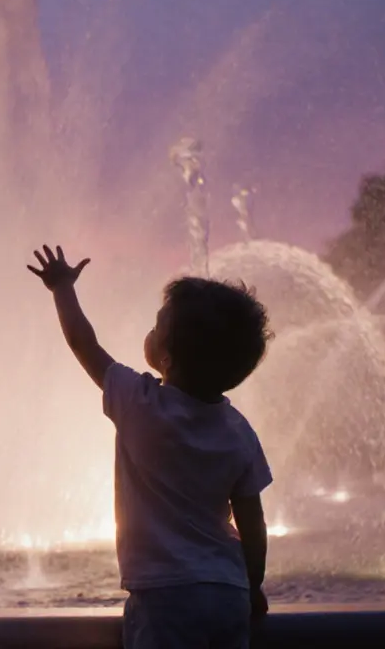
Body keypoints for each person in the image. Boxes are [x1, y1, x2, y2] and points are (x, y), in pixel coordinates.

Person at [27, 244, 273, 649]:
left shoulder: (138, 402)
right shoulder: (238, 429)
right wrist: (252, 584)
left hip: (163, 594)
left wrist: (62, 289)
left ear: (168, 358)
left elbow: (82, 343)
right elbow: (253, 522)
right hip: (226, 592)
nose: (150, 331)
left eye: (157, 327)